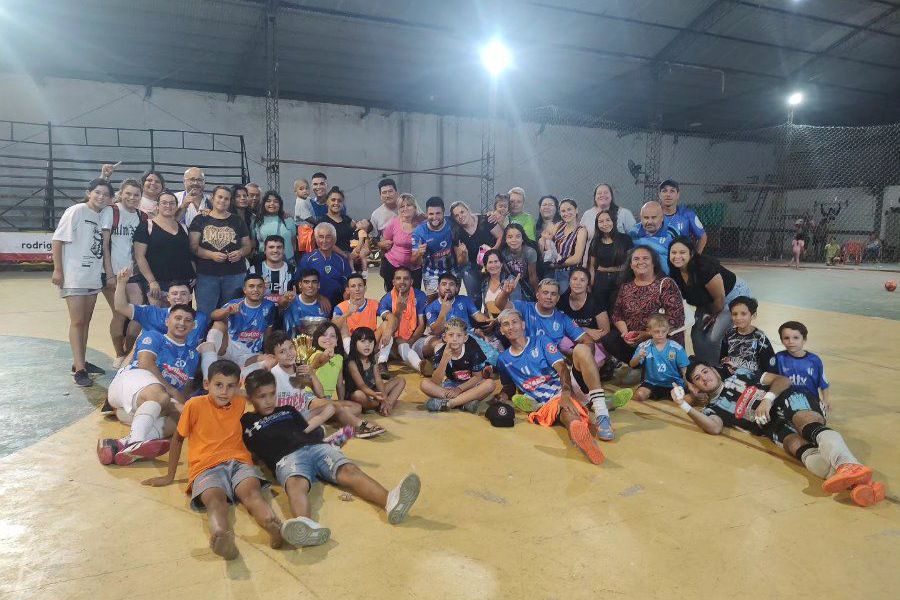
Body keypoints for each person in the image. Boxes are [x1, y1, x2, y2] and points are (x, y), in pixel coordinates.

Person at [241, 370, 421, 548]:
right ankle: (305, 525)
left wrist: (331, 439)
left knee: (349, 471)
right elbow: (252, 450)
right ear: (249, 399)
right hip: (286, 457)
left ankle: (391, 500)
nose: (269, 400)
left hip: (317, 447)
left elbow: (307, 429)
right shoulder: (247, 421)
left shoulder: (288, 410)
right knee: (295, 484)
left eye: (272, 394)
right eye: (261, 396)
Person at [674, 361, 885, 507]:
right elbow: (714, 428)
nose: (704, 378)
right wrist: (683, 405)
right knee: (794, 444)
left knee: (803, 423)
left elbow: (783, 380)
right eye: (698, 378)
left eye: (705, 372)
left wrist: (767, 399)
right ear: (696, 387)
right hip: (772, 426)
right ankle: (859, 485)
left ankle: (847, 463)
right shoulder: (714, 408)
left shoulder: (740, 374)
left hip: (788, 400)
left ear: (714, 370)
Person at [142, 360, 287, 559]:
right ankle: (225, 534)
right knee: (223, 500)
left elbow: (254, 394)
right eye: (219, 385)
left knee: (243, 495)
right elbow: (177, 439)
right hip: (206, 467)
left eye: (230, 386)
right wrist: (169, 476)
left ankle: (265, 524)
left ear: (237, 387)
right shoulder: (194, 405)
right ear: (206, 384)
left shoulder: (239, 401)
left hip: (236, 463)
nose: (224, 391)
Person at [495, 277, 616, 440]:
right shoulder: (524, 308)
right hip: (535, 374)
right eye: (545, 292)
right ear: (537, 294)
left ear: (558, 298)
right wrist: (505, 292)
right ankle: (593, 401)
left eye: (553, 294)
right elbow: (501, 306)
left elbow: (587, 340)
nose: (549, 297)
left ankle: (601, 413)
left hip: (560, 373)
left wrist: (583, 361)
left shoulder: (562, 318)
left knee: (581, 350)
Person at [496, 309, 605, 465]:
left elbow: (562, 369)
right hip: (545, 401)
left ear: (523, 324)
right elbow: (508, 388)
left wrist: (566, 394)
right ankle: (585, 432)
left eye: (514, 322)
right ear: (501, 330)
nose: (511, 327)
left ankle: (589, 431)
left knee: (581, 353)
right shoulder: (503, 359)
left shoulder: (541, 340)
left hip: (566, 387)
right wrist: (501, 397)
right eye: (506, 324)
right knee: (566, 413)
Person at [97, 303, 200, 466]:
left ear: (193, 326)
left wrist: (182, 405)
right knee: (160, 394)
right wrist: (172, 390)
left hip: (149, 404)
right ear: (167, 321)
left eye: (188, 320)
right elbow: (145, 364)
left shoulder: (193, 355)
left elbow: (184, 390)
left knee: (184, 417)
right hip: (129, 382)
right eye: (177, 318)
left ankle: (122, 445)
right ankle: (136, 442)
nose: (182, 323)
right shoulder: (154, 336)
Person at [263, 331, 385, 438]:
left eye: (291, 348)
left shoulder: (300, 368)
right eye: (282, 352)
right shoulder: (273, 375)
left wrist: (312, 374)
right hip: (288, 419)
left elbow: (320, 394)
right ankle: (360, 426)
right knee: (321, 428)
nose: (289, 353)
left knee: (333, 408)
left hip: (303, 412)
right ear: (273, 357)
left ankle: (358, 426)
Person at [51, 178, 112, 386]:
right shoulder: (76, 210)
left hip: (92, 276)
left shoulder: (102, 215)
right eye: (97, 192)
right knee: (77, 322)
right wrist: (58, 270)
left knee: (85, 322)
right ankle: (79, 369)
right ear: (89, 193)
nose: (101, 197)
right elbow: (57, 240)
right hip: (74, 275)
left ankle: (80, 361)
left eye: (105, 194)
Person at [668, 237, 752, 365]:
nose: (677, 256)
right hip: (708, 300)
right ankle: (702, 364)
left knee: (713, 337)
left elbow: (719, 300)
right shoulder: (674, 272)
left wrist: (712, 316)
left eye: (682, 252)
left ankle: (716, 368)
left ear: (691, 253)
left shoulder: (704, 268)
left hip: (731, 296)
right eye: (673, 253)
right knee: (697, 335)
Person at [602, 247, 685, 366]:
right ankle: (641, 366)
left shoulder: (666, 284)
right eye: (636, 259)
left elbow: (676, 318)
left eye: (645, 258)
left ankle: (656, 368)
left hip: (660, 339)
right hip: (634, 341)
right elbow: (617, 314)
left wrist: (647, 334)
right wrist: (625, 334)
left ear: (653, 263)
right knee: (609, 339)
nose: (640, 262)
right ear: (631, 265)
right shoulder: (626, 287)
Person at [100, 178, 145, 366]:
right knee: (119, 314)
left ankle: (129, 351)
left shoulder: (142, 217)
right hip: (112, 273)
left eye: (136, 195)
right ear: (121, 193)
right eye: (128, 193)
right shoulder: (112, 211)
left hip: (133, 273)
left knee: (138, 313)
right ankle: (119, 354)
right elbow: (103, 244)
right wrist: (109, 273)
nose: (132, 198)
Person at [188, 185, 253, 314]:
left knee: (232, 312)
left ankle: (227, 335)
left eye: (226, 198)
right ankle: (204, 335)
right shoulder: (200, 219)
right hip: (207, 275)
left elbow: (247, 246)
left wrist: (240, 253)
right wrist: (211, 254)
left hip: (235, 274)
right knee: (205, 313)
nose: (222, 201)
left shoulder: (237, 220)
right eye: (220, 197)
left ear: (230, 202)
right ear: (212, 198)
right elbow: (193, 247)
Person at [199, 274, 276, 379]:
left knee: (271, 360)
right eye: (251, 286)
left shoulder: (269, 306)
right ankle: (208, 377)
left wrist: (267, 353)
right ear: (244, 290)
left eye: (259, 286)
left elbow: (268, 331)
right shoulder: (236, 303)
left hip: (250, 355)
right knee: (219, 323)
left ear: (264, 289)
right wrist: (227, 311)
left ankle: (241, 378)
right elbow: (213, 314)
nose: (255, 289)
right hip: (228, 348)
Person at [112, 268, 210, 350]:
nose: (179, 297)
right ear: (168, 297)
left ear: (190, 297)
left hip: (183, 366)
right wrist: (121, 283)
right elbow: (121, 307)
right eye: (174, 294)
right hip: (152, 360)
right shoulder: (151, 312)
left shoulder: (200, 318)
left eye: (183, 293)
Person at [133, 190, 195, 307]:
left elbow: (189, 255)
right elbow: (139, 256)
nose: (168, 206)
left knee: (180, 320)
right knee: (157, 320)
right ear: (157, 206)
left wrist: (193, 275)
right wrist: (152, 281)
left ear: (176, 206)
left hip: (182, 284)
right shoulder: (146, 226)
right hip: (158, 284)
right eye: (164, 203)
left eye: (172, 203)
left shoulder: (184, 228)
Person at [421, 318, 496, 413]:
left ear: (465, 338)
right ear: (444, 337)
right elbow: (436, 381)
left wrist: (459, 389)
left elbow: (477, 377)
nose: (455, 339)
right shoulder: (440, 353)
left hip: (470, 386)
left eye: (459, 335)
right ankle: (465, 402)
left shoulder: (472, 350)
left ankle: (449, 403)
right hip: (450, 386)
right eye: (451, 335)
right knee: (424, 384)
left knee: (490, 384)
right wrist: (444, 360)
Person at [420, 272, 491, 364]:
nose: (447, 288)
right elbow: (436, 331)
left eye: (451, 284)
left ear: (457, 288)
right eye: (444, 284)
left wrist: (491, 321)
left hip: (468, 336)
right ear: (438, 288)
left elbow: (479, 317)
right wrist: (443, 313)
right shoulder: (431, 307)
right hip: (447, 341)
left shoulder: (464, 300)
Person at [450, 200, 502, 308]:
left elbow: (501, 236)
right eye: (456, 215)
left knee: (491, 299)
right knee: (474, 298)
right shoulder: (457, 232)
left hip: (491, 264)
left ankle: (492, 321)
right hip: (472, 266)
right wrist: (464, 255)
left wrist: (492, 252)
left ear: (468, 210)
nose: (460, 216)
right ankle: (476, 320)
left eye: (462, 212)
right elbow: (461, 263)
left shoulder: (486, 220)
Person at [377, 266, 428, 372]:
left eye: (406, 278)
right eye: (398, 278)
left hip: (415, 338)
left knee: (434, 343)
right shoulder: (386, 299)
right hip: (392, 340)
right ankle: (420, 366)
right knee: (396, 336)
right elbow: (390, 324)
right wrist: (399, 310)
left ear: (411, 281)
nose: (402, 281)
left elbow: (422, 324)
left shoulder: (420, 296)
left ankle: (432, 364)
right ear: (393, 282)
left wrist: (412, 340)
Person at [628, 314, 690, 401]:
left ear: (668, 330)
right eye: (657, 331)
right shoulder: (644, 346)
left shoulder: (676, 348)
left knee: (686, 400)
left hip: (673, 383)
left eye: (663, 331)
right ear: (649, 331)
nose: (660, 334)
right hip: (652, 383)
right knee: (639, 395)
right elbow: (632, 364)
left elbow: (685, 371)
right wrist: (639, 356)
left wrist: (690, 387)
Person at [556, 267, 610, 368]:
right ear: (569, 281)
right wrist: (584, 330)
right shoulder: (561, 300)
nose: (578, 283)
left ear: (587, 283)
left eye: (582, 280)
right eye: (574, 279)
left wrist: (591, 337)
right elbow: (558, 327)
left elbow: (606, 330)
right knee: (563, 343)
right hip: (572, 339)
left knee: (597, 362)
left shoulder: (596, 301)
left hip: (593, 342)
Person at [771, 321, 830, 411]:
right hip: (785, 403)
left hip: (810, 402)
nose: (791, 341)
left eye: (796, 338)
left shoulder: (814, 360)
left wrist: (825, 401)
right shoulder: (778, 358)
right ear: (781, 340)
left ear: (804, 339)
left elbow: (824, 384)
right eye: (786, 338)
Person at [345, 327, 406, 414]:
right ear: (354, 343)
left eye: (370, 342)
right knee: (358, 395)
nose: (367, 345)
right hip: (360, 395)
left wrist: (383, 396)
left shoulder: (373, 358)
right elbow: (361, 385)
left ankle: (386, 406)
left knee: (401, 381)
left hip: (373, 392)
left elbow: (378, 380)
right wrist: (376, 396)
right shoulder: (351, 362)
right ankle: (377, 405)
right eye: (363, 341)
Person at [332, 273, 392, 362]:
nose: (357, 289)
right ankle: (355, 359)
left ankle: (382, 362)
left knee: (387, 323)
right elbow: (333, 327)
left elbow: (391, 317)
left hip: (371, 343)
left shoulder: (374, 304)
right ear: (347, 290)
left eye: (360, 285)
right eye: (353, 286)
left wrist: (388, 331)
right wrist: (347, 313)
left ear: (365, 288)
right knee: (342, 324)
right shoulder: (340, 307)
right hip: (352, 346)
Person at [293, 222, 352, 306]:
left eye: (328, 237)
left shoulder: (341, 261)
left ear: (334, 239)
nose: (324, 241)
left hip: (336, 305)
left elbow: (348, 284)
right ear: (316, 239)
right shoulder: (307, 259)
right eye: (321, 237)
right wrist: (319, 297)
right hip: (312, 305)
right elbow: (298, 283)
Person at [587, 209, 633, 310]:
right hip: (600, 282)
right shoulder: (595, 242)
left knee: (618, 310)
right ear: (597, 224)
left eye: (608, 220)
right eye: (601, 221)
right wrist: (590, 284)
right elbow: (592, 266)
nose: (605, 224)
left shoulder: (625, 239)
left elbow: (630, 264)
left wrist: (606, 269)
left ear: (613, 221)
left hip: (621, 280)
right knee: (600, 310)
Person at [540, 198, 587, 295]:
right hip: (552, 272)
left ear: (576, 210)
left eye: (569, 209)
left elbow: (577, 258)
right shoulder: (558, 226)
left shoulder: (581, 230)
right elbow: (544, 240)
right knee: (549, 300)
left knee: (563, 302)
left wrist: (556, 265)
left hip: (568, 273)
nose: (566, 213)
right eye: (563, 211)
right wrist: (543, 240)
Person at [719, 296, 775, 377]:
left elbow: (769, 365)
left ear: (753, 315)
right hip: (730, 378)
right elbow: (723, 357)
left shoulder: (760, 338)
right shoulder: (729, 334)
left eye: (743, 314)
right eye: (734, 314)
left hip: (752, 381)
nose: (738, 318)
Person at [380, 193, 425, 291]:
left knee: (414, 295)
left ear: (414, 207)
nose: (405, 208)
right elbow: (385, 241)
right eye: (402, 206)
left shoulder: (422, 224)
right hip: (393, 265)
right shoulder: (394, 222)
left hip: (414, 267)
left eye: (408, 205)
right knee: (393, 296)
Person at [412, 196, 456, 295]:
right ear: (426, 214)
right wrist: (419, 253)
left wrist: (490, 215)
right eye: (431, 214)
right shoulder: (419, 231)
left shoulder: (452, 223)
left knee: (452, 301)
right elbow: (413, 261)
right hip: (431, 273)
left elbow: (469, 217)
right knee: (433, 303)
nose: (435, 217)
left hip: (453, 270)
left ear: (444, 212)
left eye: (438, 213)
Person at [319, 187, 368, 274]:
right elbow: (327, 243)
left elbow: (359, 232)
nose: (336, 203)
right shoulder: (323, 222)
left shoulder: (347, 219)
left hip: (352, 262)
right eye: (333, 200)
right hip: (332, 263)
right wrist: (344, 255)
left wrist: (360, 250)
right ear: (327, 202)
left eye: (339, 200)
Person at [658, 180, 707, 253]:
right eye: (664, 191)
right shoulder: (652, 214)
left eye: (672, 191)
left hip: (679, 259)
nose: (668, 194)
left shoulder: (688, 214)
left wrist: (695, 258)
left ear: (678, 195)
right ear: (659, 195)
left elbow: (702, 237)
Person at [629, 201, 677, 275]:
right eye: (646, 218)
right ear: (641, 218)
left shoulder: (672, 232)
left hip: (667, 277)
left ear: (662, 218)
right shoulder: (633, 233)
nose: (649, 221)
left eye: (654, 217)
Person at [282, 268, 331, 336]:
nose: (310, 286)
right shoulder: (290, 301)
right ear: (300, 285)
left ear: (318, 285)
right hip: (292, 344)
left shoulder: (324, 305)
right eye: (306, 282)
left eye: (314, 282)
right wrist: (284, 300)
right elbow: (280, 304)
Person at [254, 191, 297, 264]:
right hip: (265, 263)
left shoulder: (288, 220)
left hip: (287, 262)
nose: (272, 204)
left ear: (280, 204)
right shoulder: (257, 221)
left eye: (276, 201)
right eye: (268, 201)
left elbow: (293, 242)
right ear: (264, 204)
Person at [499, 223, 539, 301]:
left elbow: (532, 276)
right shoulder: (503, 252)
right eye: (510, 237)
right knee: (510, 278)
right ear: (506, 239)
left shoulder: (530, 252)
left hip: (526, 285)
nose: (514, 240)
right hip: (510, 285)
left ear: (522, 238)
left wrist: (538, 293)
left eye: (518, 236)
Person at [248, 235, 294, 303]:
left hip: (286, 310)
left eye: (279, 247)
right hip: (261, 311)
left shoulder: (293, 270)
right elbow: (247, 296)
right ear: (265, 250)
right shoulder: (253, 270)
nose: (275, 250)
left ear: (283, 250)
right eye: (271, 247)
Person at [308, 321, 347, 401]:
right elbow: (318, 362)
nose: (328, 338)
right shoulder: (315, 354)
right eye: (323, 335)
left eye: (332, 336)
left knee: (356, 408)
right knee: (331, 408)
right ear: (317, 338)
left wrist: (342, 402)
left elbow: (339, 384)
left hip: (328, 398)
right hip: (311, 395)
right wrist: (326, 355)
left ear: (337, 341)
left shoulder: (339, 358)